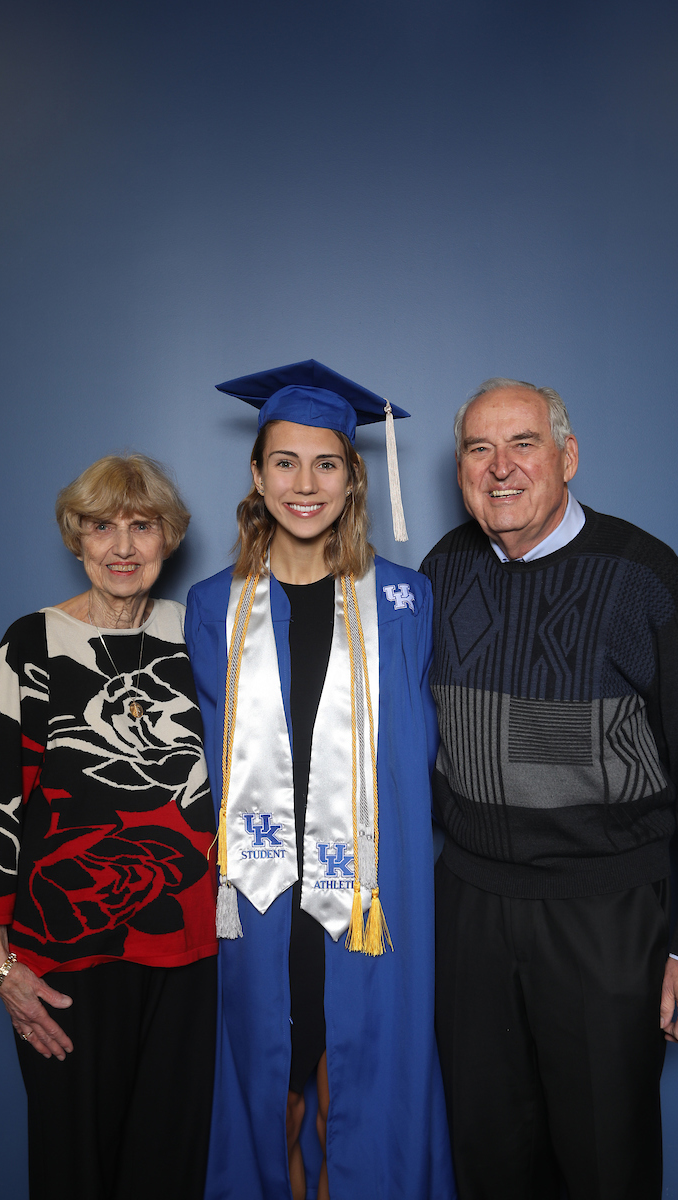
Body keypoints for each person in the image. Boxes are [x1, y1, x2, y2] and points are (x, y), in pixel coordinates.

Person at [420, 378, 678, 1200]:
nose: (500, 469)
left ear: (567, 456)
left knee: (606, 1160)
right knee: (485, 1155)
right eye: (478, 448)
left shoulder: (642, 574)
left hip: (604, 916)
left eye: (522, 443)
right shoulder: (441, 570)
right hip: (471, 910)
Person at [186, 360, 455, 1200]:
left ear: (353, 478)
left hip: (370, 885)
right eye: (284, 463)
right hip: (259, 889)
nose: (305, 484)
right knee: (275, 1084)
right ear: (257, 475)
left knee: (358, 1074)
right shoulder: (211, 604)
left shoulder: (408, 601)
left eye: (327, 464)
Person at [0, 454, 218, 1200]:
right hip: (63, 950)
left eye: (142, 526)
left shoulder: (201, 629)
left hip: (188, 946)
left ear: (169, 538)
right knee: (74, 1165)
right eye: (103, 527)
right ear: (77, 538)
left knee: (170, 1165)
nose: (123, 547)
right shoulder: (31, 642)